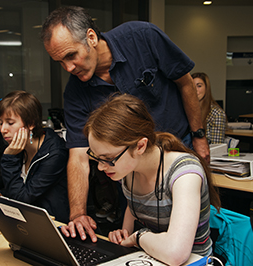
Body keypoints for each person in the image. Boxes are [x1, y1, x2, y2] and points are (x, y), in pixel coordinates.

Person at [40, 6, 209, 242]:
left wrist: (199, 136)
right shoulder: (75, 92)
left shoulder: (143, 37)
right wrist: (77, 214)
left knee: (186, 229)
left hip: (178, 148)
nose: (68, 68)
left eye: (71, 55)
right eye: (60, 62)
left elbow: (186, 83)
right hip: (131, 168)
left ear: (91, 37)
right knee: (138, 229)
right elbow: (78, 156)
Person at [60, 94, 220, 265]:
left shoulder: (185, 173)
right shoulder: (128, 169)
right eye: (96, 158)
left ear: (140, 146)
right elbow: (132, 217)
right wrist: (124, 234)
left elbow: (176, 254)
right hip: (149, 257)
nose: (100, 167)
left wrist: (139, 237)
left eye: (108, 159)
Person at [0, 91, 69, 223]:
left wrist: (9, 158)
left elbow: (23, 198)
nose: (3, 129)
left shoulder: (55, 153)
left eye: (10, 123)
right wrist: (3, 194)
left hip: (53, 224)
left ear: (31, 123)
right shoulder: (19, 147)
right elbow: (22, 187)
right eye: (0, 122)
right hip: (26, 218)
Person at [192, 72, 227, 144]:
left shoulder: (216, 113)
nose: (195, 90)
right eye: (192, 86)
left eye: (199, 86)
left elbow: (217, 146)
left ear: (206, 88)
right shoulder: (185, 110)